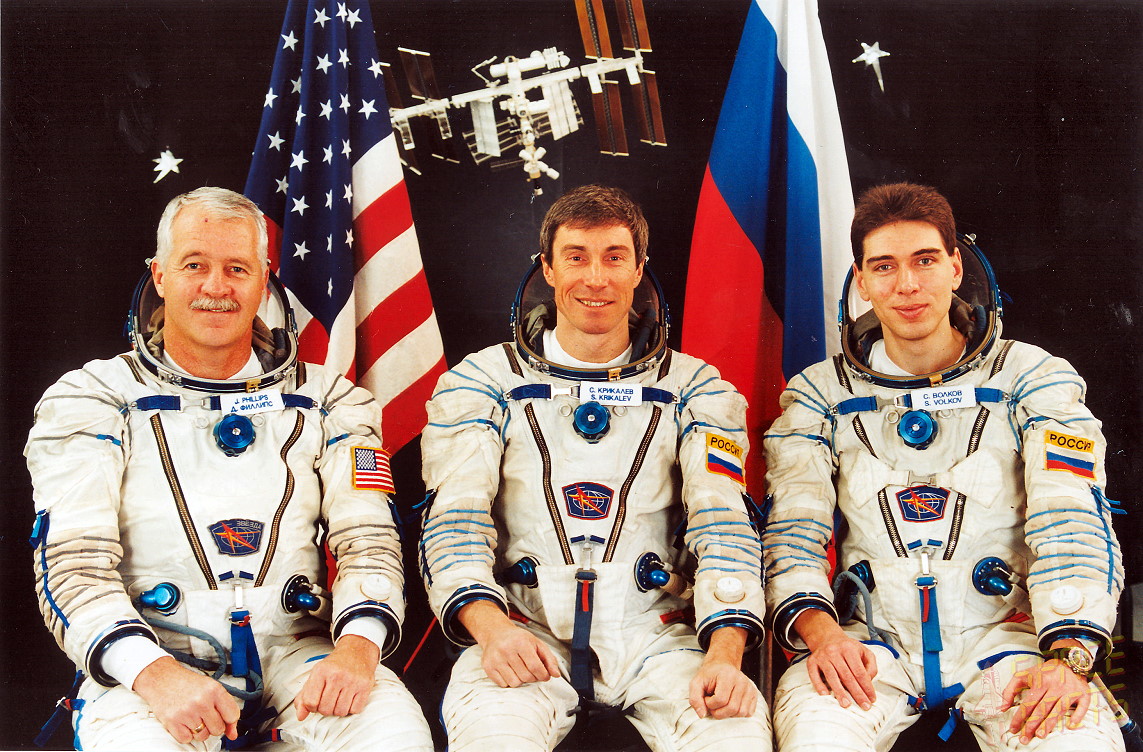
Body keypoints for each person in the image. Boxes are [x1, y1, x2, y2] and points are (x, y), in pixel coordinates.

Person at [25, 187, 433, 751]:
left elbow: (369, 539)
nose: (216, 287)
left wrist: (358, 647)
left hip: (297, 651)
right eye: (194, 265)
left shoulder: (330, 402)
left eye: (237, 268)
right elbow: (74, 566)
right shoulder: (92, 400)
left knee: (394, 736)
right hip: (151, 658)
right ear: (160, 276)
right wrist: (151, 672)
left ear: (263, 281)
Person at [762, 182, 1125, 751]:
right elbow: (792, 530)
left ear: (956, 267)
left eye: (925, 260)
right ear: (861, 280)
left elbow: (1071, 518)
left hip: (1010, 643)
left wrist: (1069, 656)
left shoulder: (1030, 379)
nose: (906, 284)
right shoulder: (822, 395)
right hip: (870, 648)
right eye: (884, 266)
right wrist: (822, 632)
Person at [419, 184, 772, 750]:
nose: (596, 278)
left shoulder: (696, 388)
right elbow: (454, 522)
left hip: (658, 637)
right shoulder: (483, 382)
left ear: (639, 269)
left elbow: (724, 523)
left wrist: (725, 657)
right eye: (576, 257)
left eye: (614, 257)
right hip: (524, 630)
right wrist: (493, 630)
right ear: (548, 268)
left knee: (735, 738)